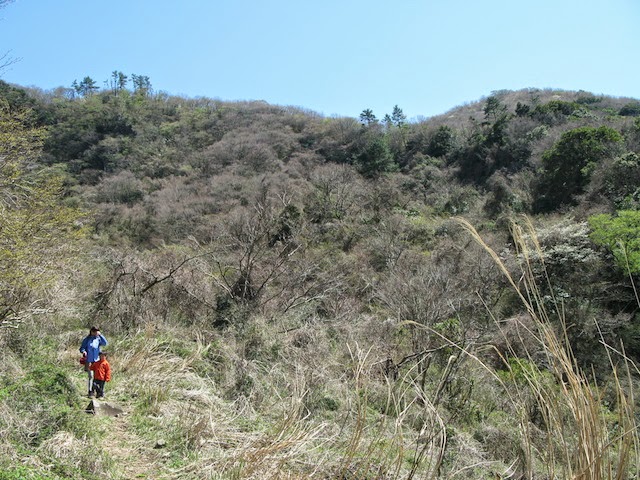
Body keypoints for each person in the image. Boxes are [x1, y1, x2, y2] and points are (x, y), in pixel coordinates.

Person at [79, 327, 108, 397]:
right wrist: (84, 351)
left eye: (97, 331)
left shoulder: (98, 339)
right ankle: (90, 391)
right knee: (91, 376)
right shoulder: (87, 339)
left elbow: (105, 343)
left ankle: (98, 391)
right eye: (95, 331)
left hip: (97, 361)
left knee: (97, 377)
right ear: (91, 332)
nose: (96, 333)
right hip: (89, 361)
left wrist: (100, 335)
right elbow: (82, 348)